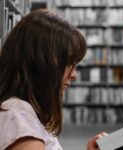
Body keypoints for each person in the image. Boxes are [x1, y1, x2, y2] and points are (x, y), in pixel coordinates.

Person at [0, 9, 106, 150]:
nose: (74, 75)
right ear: (42, 63)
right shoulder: (19, 119)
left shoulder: (22, 112)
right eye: (69, 63)